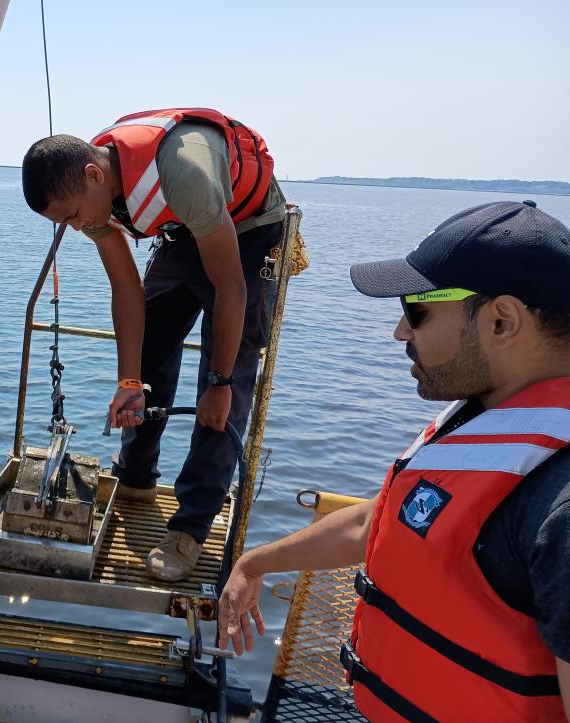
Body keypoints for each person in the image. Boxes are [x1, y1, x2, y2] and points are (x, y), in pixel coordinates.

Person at [219, 200, 570, 721]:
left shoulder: (558, 509)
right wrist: (256, 563)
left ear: (502, 320)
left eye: (417, 311)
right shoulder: (491, 413)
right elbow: (381, 521)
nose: (400, 333)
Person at [21, 108, 286, 581]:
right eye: (66, 223)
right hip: (184, 230)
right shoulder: (93, 194)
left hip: (245, 233)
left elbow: (232, 290)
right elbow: (126, 290)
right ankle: (137, 476)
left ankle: (190, 526)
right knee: (148, 351)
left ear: (92, 174)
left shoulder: (186, 175)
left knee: (226, 384)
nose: (78, 228)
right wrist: (129, 381)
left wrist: (220, 383)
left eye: (75, 216)